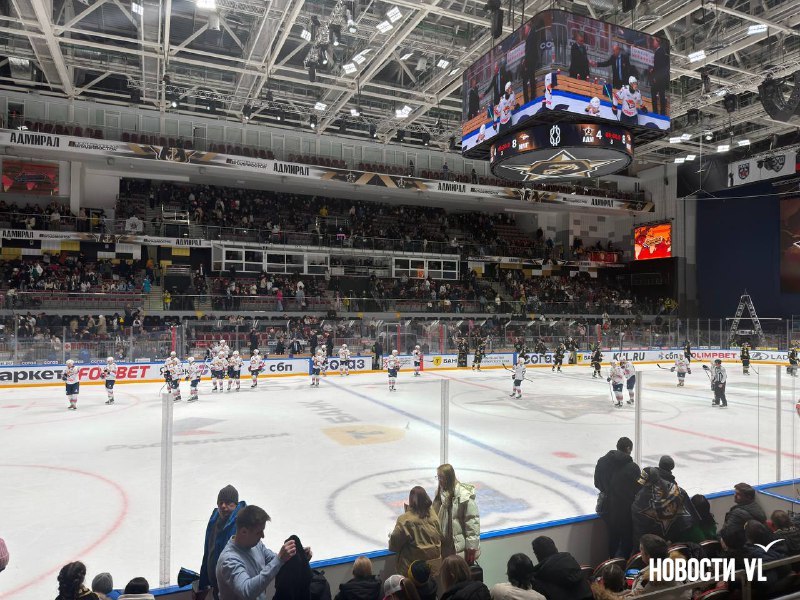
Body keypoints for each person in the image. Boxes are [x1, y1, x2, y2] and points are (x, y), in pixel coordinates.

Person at [215, 505, 303, 600]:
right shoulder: (229, 560)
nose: (263, 536)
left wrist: (297, 556)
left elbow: (273, 559)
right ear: (244, 532)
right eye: (259, 532)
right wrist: (279, 559)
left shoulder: (256, 545)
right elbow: (247, 591)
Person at [594, 437, 641, 559]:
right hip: (625, 510)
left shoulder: (602, 462)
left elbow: (597, 483)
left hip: (606, 507)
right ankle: (623, 565)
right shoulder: (632, 467)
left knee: (613, 537)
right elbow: (639, 489)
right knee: (626, 540)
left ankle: (612, 563)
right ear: (628, 449)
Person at [200, 485, 246, 599]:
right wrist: (203, 582)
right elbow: (208, 552)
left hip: (234, 591)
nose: (223, 506)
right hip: (217, 587)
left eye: (228, 503)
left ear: (235, 505)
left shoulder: (242, 525)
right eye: (220, 503)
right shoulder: (214, 522)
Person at [631, 467, 696, 546]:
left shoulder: (641, 500)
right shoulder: (675, 489)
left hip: (655, 542)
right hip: (677, 536)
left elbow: (639, 524)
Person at [389, 486, 443, 577]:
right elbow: (439, 535)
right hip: (433, 567)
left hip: (412, 569)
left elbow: (394, 545)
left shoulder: (405, 520)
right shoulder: (434, 516)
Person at [434, 464, 480, 564]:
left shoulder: (463, 495)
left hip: (457, 545)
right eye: (438, 477)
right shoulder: (440, 494)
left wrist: (472, 546)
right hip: (444, 544)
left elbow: (472, 521)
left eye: (441, 477)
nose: (439, 480)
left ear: (449, 477)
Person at [649, 37, 669, 115]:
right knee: (661, 94)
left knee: (654, 93)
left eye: (654, 41)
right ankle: (662, 112)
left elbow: (659, 66)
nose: (653, 43)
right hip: (662, 77)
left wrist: (654, 75)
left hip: (658, 78)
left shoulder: (659, 52)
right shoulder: (661, 51)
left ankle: (655, 112)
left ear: (657, 42)